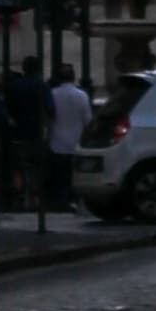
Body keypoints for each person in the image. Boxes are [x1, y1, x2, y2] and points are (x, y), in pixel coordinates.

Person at [44, 55, 93, 210]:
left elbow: (48, 118)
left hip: (56, 142)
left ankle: (60, 202)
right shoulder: (82, 95)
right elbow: (88, 120)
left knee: (59, 177)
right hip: (76, 142)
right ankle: (74, 201)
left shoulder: (52, 94)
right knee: (74, 176)